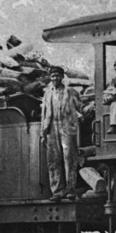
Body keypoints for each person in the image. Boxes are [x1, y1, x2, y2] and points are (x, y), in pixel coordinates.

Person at [41, 66, 82, 201]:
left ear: (62, 77)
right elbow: (44, 114)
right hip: (52, 128)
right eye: (52, 76)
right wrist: (43, 132)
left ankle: (70, 190)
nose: (55, 78)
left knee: (69, 159)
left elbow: (80, 107)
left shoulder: (71, 92)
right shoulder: (47, 94)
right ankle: (57, 191)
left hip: (67, 128)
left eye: (57, 76)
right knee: (53, 160)